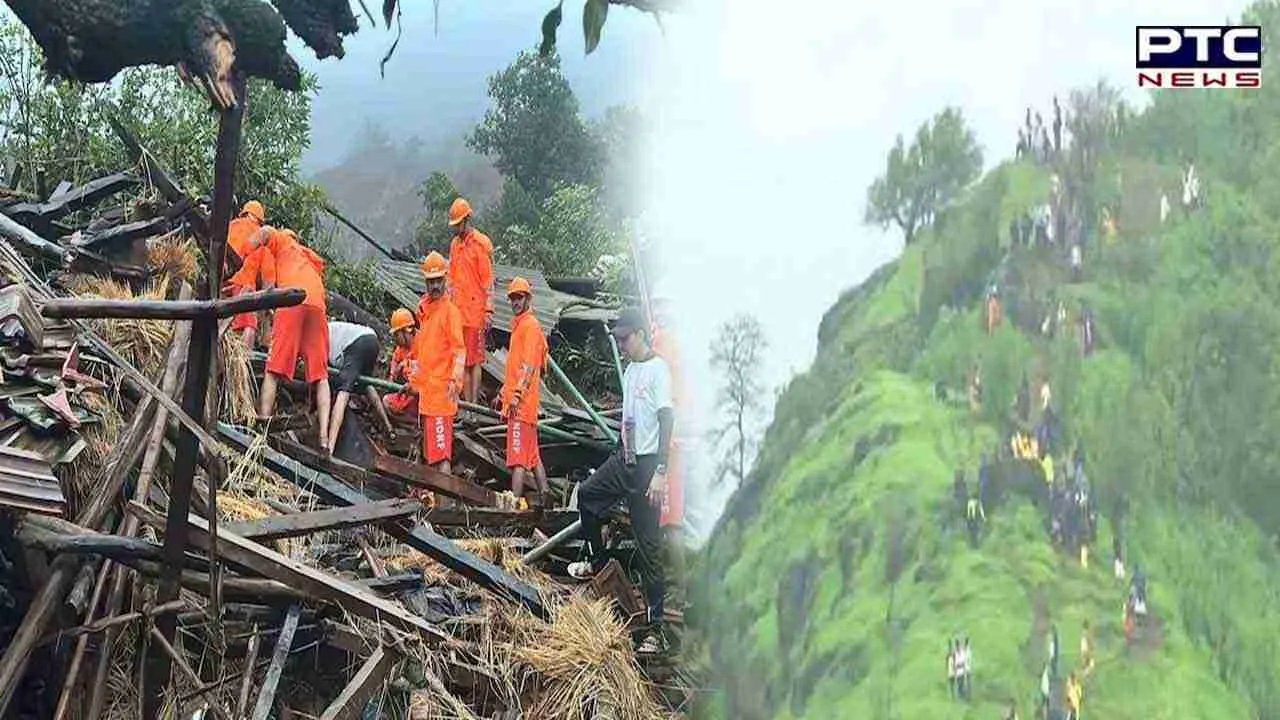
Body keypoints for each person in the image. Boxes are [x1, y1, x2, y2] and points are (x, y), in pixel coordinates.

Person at [566, 308, 674, 654]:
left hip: (646, 468)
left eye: (626, 338)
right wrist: (616, 453)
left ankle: (655, 626)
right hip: (624, 459)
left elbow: (666, 421)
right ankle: (598, 566)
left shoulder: (659, 371)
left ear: (641, 334)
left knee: (649, 545)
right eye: (620, 339)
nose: (622, 345)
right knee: (587, 496)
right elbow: (629, 419)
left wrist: (661, 471)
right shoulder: (629, 372)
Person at [250, 228, 330, 445]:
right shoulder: (310, 260)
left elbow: (265, 231)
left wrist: (249, 248)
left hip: (293, 298)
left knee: (273, 369)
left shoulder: (285, 243)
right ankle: (324, 439)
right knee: (321, 376)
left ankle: (262, 428)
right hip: (317, 306)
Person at [496, 277, 550, 506]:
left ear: (528, 298)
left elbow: (528, 366)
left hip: (522, 405)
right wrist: (503, 394)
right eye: (513, 298)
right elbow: (519, 366)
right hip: (521, 403)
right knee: (532, 456)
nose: (515, 302)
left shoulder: (529, 326)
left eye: (520, 297)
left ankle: (513, 505)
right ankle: (547, 498)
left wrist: (516, 397)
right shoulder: (519, 325)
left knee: (517, 457)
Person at [411, 252, 465, 475]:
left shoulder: (450, 312)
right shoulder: (426, 313)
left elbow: (459, 350)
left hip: (442, 395)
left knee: (441, 454)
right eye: (431, 281)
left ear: (445, 280)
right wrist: (414, 382)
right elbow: (422, 354)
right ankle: (436, 503)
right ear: (426, 282)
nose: (434, 285)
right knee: (432, 453)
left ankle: (445, 507)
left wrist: (455, 381)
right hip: (427, 397)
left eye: (438, 280)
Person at [444, 197, 494, 405]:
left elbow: (488, 281)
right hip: (459, 312)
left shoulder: (480, 244)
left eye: (458, 224)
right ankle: (465, 405)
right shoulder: (455, 245)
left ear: (466, 220)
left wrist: (488, 311)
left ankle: (473, 406)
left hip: (476, 312)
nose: (456, 228)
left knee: (475, 362)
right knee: (462, 360)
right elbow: (450, 277)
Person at [324, 320, 393, 453]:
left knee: (343, 392)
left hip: (356, 344)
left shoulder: (319, 337)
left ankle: (329, 447)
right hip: (372, 340)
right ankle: (389, 428)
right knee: (366, 384)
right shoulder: (329, 328)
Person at [224, 200, 275, 349]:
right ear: (260, 219)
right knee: (249, 325)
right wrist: (265, 308)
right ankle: (243, 365)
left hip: (220, 282)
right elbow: (268, 282)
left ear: (244, 213)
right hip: (243, 285)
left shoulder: (231, 225)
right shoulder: (261, 237)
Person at [383, 308, 419, 420]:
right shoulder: (401, 348)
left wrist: (405, 365)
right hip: (408, 394)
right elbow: (395, 361)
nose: (395, 338)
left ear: (406, 331)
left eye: (396, 334)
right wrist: (393, 374)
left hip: (423, 394)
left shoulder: (423, 342)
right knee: (387, 401)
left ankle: (416, 422)